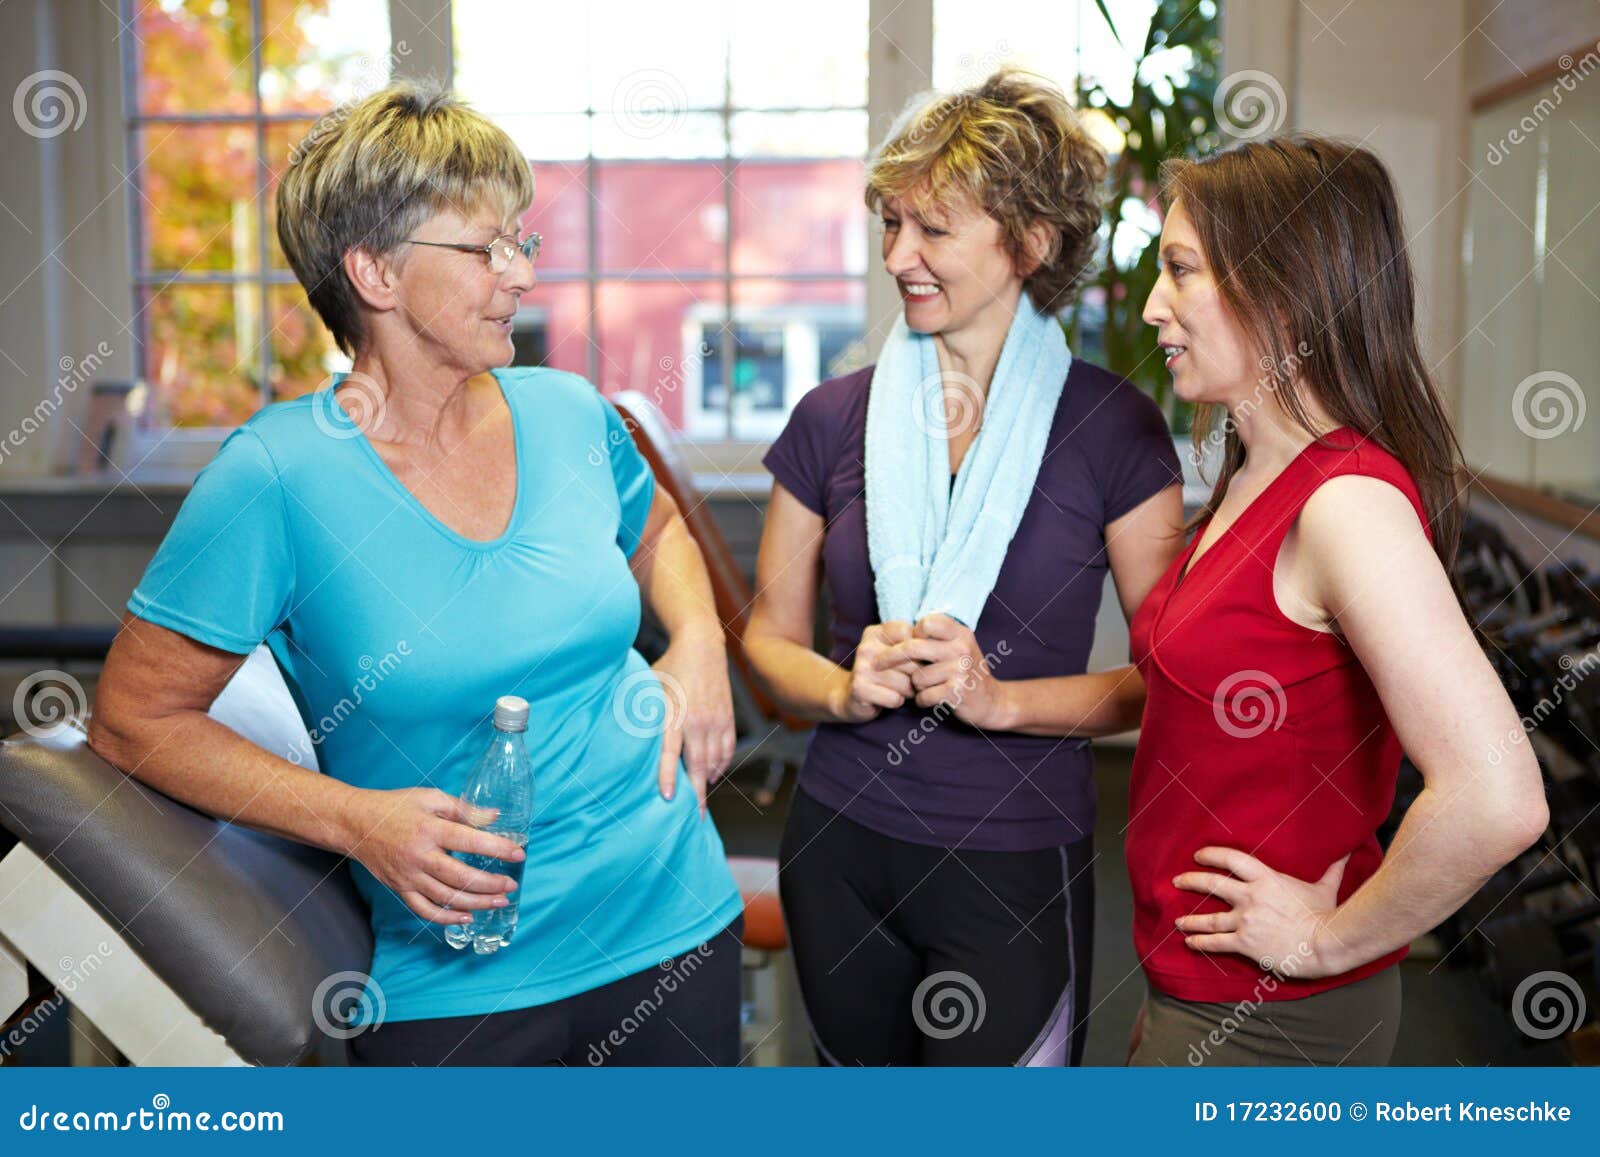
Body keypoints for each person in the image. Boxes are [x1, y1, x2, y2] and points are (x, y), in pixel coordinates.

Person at [88, 82, 745, 1067]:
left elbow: (657, 532)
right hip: (462, 977)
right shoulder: (275, 476)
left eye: (520, 240)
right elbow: (133, 721)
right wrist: (356, 819)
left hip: (675, 913)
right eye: (486, 249)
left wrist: (698, 644)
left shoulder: (567, 410)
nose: (520, 275)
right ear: (375, 273)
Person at [743, 71, 1186, 1066]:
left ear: (1027, 241)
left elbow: (1168, 677)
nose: (899, 256)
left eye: (931, 229)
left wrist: (999, 699)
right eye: (889, 224)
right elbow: (765, 641)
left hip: (1012, 863)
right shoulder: (829, 416)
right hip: (839, 850)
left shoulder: (1113, 428)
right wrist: (840, 685)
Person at [1125, 134, 1548, 1065]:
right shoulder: (1254, 473)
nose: (1155, 305)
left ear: (1282, 293)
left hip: (1273, 1013)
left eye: (1181, 272)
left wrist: (1326, 939)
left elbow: (1498, 796)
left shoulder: (1345, 502)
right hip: (1197, 986)